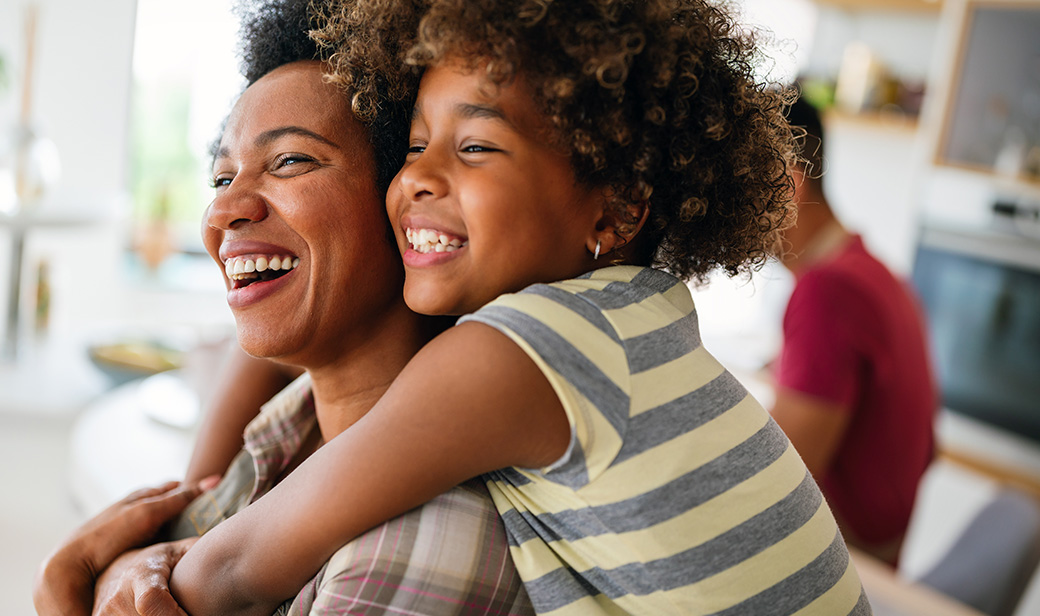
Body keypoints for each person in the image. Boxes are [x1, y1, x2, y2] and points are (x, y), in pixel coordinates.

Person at [112, 2, 872, 615]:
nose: (416, 180)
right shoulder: (636, 319)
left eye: (475, 147)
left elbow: (240, 566)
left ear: (617, 209)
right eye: (413, 146)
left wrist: (129, 572)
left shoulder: (522, 350)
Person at [33, 1, 534, 614]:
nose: (221, 213)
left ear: (406, 204)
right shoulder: (288, 433)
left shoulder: (412, 545)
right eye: (222, 178)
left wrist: (63, 593)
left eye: (291, 160)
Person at [769, 97, 937, 566]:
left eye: (732, 190)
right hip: (879, 552)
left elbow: (772, 483)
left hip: (847, 567)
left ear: (787, 186)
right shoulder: (875, 273)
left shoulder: (828, 292)